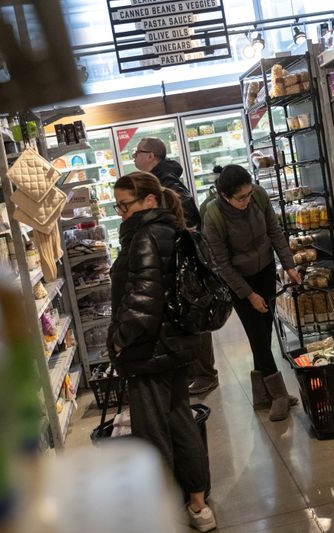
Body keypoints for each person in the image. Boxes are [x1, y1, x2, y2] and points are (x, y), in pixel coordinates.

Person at [107, 171, 216, 532]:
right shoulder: (172, 230)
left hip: (148, 351)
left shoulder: (143, 237)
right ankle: (199, 507)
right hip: (177, 345)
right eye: (118, 206)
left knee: (152, 435)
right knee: (181, 423)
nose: (122, 213)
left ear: (149, 201)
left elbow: (143, 301)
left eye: (126, 205)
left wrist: (120, 339)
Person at [202, 164, 301, 422]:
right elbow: (221, 264)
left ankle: (261, 395)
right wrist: (248, 295)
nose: (247, 200)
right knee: (257, 335)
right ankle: (278, 395)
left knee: (264, 331)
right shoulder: (213, 217)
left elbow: (274, 231)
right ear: (224, 195)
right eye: (240, 197)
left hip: (265, 270)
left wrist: (288, 264)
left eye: (248, 194)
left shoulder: (258, 196)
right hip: (237, 280)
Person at [132, 137, 218, 396]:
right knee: (184, 314)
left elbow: (187, 219)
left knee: (193, 313)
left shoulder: (167, 183)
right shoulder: (160, 181)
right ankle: (196, 371)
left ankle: (205, 373)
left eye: (138, 152)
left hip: (182, 260)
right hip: (176, 258)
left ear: (152, 156)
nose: (134, 157)